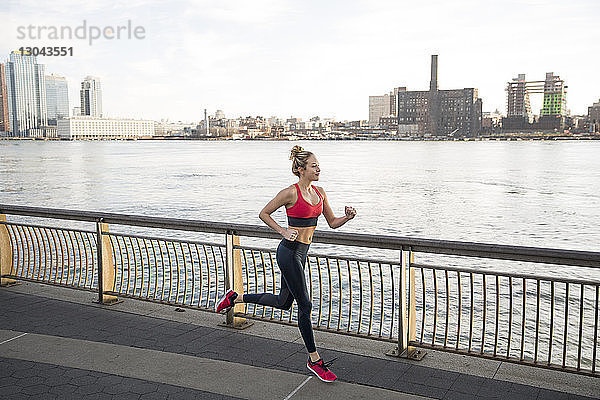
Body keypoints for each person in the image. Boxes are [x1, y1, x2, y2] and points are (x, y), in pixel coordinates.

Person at [216, 145, 356, 382]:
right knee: (306, 305)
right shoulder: (290, 193)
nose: (318, 169)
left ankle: (235, 297)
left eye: (318, 165)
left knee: (284, 302)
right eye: (314, 166)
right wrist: (282, 230)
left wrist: (348, 217)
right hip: (288, 253)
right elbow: (264, 213)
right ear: (301, 170)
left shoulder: (320, 192)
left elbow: (332, 222)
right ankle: (315, 360)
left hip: (302, 253)